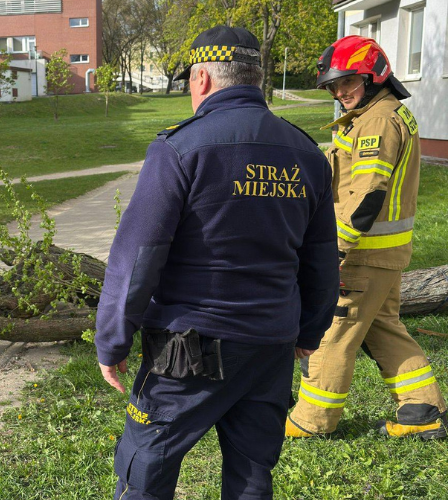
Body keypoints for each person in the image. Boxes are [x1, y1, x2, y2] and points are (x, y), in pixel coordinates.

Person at [95, 25, 339, 500]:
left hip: (187, 350)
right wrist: (309, 332)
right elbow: (322, 259)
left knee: (146, 469)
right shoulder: (307, 154)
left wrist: (112, 339)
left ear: (201, 78)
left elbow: (138, 257)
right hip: (270, 345)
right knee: (252, 475)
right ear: (256, 77)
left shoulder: (179, 149)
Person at [286, 36, 447, 439]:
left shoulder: (376, 121)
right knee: (383, 328)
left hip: (361, 255)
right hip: (383, 254)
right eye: (333, 86)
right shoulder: (382, 113)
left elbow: (367, 193)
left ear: (374, 76)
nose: (340, 93)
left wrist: (334, 251)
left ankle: (311, 421)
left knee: (332, 333)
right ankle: (423, 410)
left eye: (348, 82)